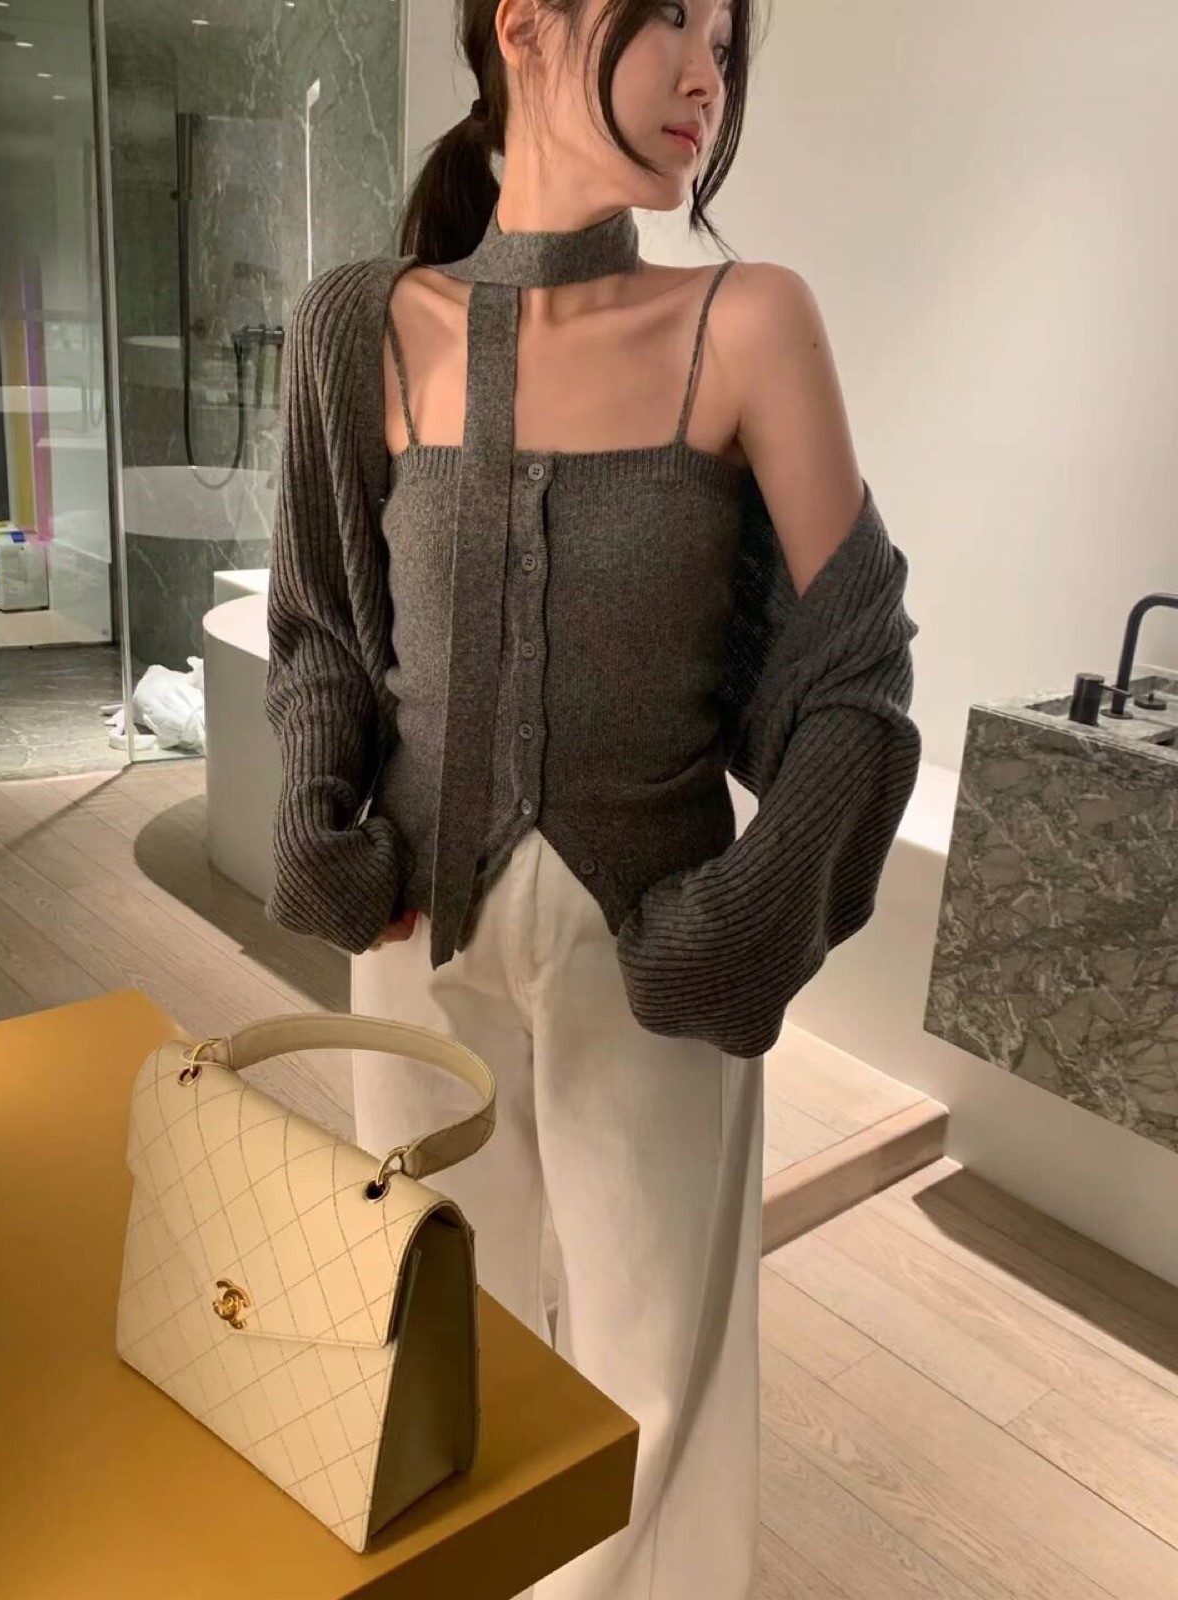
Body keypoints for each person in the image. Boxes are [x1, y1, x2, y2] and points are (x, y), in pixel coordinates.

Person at [265, 1, 907, 1595]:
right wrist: (319, 825)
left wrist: (740, 922)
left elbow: (856, 674)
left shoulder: (746, 322)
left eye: (728, 43)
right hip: (416, 947)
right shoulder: (364, 325)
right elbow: (325, 629)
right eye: (672, 15)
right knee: (434, 1358)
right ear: (527, 25)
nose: (707, 73)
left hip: (655, 952)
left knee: (651, 1400)